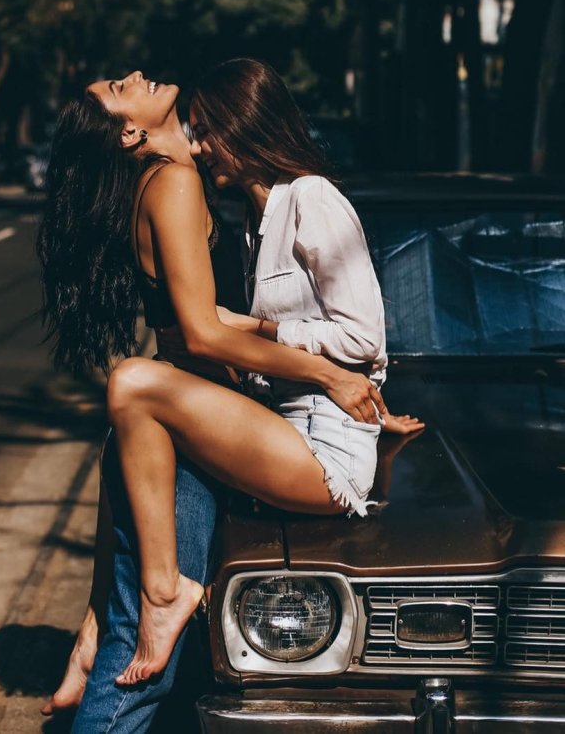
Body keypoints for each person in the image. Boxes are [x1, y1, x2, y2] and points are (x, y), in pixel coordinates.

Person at [37, 65, 422, 724]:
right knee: (145, 632)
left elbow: (325, 336)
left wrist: (352, 397)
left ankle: (104, 630)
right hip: (195, 423)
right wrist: (326, 375)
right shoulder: (187, 187)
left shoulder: (270, 200)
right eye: (120, 89)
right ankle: (139, 612)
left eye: (212, 132)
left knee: (132, 626)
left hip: (219, 428)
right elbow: (206, 331)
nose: (136, 74)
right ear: (128, 131)